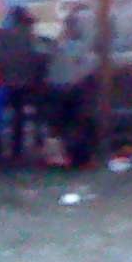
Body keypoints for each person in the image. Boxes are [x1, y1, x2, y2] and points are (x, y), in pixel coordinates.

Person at [0, 5, 45, 164]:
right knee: (19, 117)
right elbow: (39, 58)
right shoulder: (31, 39)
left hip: (1, 83)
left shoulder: (0, 37)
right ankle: (16, 150)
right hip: (24, 83)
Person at [42, 19, 98, 168]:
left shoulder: (58, 47)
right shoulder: (79, 48)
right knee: (74, 124)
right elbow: (88, 68)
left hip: (61, 88)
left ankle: (65, 156)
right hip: (72, 88)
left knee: (61, 125)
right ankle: (75, 156)